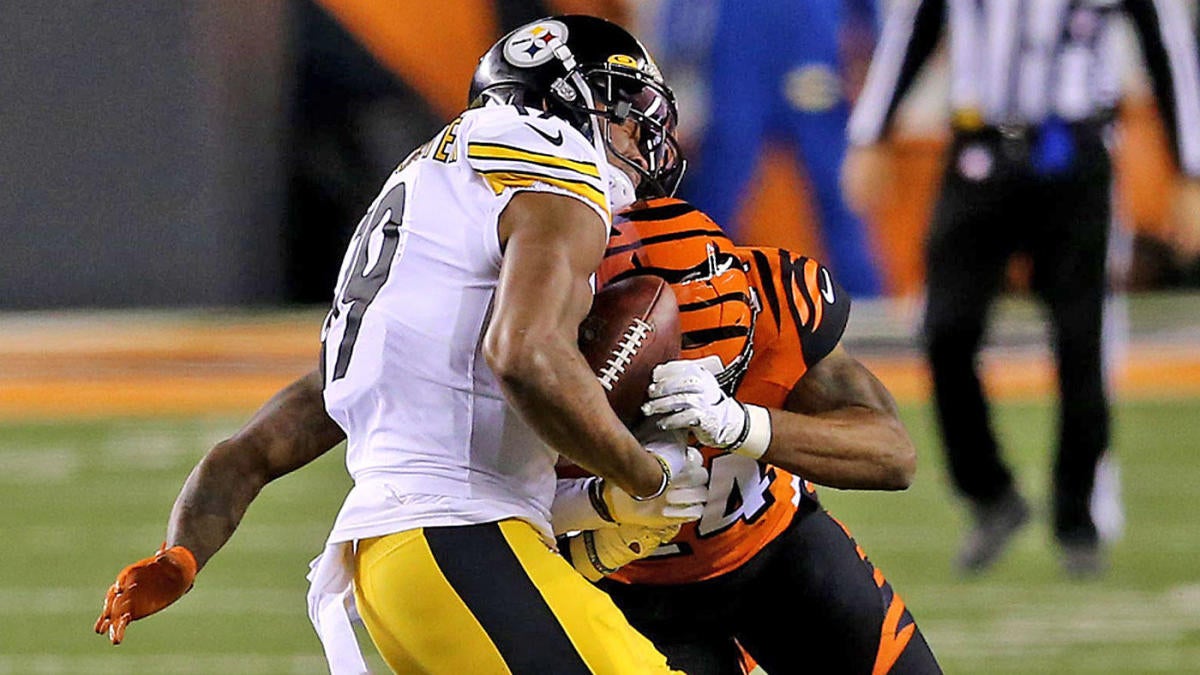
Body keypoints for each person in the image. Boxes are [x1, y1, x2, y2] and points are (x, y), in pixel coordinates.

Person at [96, 15, 709, 674]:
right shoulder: (555, 165)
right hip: (461, 541)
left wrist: (181, 553)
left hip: (392, 567)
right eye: (624, 111)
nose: (640, 139)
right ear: (565, 98)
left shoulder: (432, 179)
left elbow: (261, 442)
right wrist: (647, 476)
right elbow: (526, 357)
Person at [843, 0, 1200, 577]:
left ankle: (1077, 518)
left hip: (1076, 158)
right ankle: (989, 493)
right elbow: (915, 24)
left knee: (1083, 342)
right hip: (977, 152)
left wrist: (1190, 168)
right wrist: (871, 133)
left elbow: (1166, 42)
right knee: (946, 330)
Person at [554, 196, 942, 674]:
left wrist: (743, 423)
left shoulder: (776, 302)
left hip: (775, 555)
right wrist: (599, 507)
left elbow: (892, 455)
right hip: (626, 586)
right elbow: (480, 500)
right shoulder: (536, 348)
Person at [656, 0, 886, 297]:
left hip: (812, 55)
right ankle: (695, 298)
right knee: (718, 193)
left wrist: (871, 66)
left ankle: (869, 304)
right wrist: (678, 77)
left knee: (837, 193)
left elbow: (869, 15)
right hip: (739, 61)